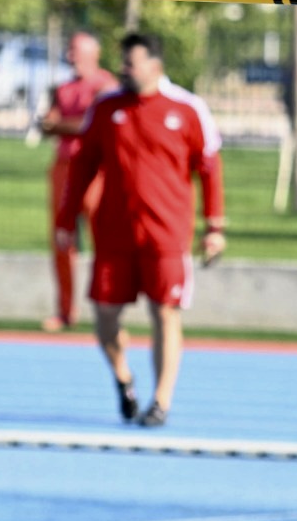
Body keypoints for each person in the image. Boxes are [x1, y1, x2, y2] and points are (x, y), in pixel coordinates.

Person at [55, 33, 225, 427]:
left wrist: (214, 226)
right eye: (123, 63)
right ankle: (123, 378)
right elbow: (83, 166)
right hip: (114, 232)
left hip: (166, 234)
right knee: (105, 318)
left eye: (130, 63)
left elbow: (209, 168)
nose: (123, 70)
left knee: (165, 312)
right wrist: (66, 219)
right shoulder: (106, 108)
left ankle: (160, 401)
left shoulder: (186, 108)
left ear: (154, 64)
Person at [37, 32, 117, 331]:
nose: (70, 57)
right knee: (61, 237)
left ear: (93, 53)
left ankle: (108, 306)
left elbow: (96, 125)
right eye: (69, 51)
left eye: (75, 51)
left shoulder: (106, 86)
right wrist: (66, 125)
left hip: (97, 171)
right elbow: (47, 124)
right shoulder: (63, 88)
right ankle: (65, 310)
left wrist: (61, 125)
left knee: (103, 240)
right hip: (64, 168)